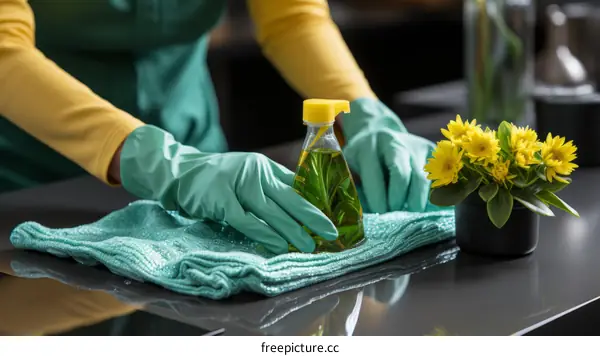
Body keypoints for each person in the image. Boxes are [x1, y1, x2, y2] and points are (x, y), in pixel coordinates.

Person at [0, 0, 435, 254]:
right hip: (35, 180)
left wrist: (361, 110)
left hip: (203, 161)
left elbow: (292, 16)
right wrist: (164, 165)